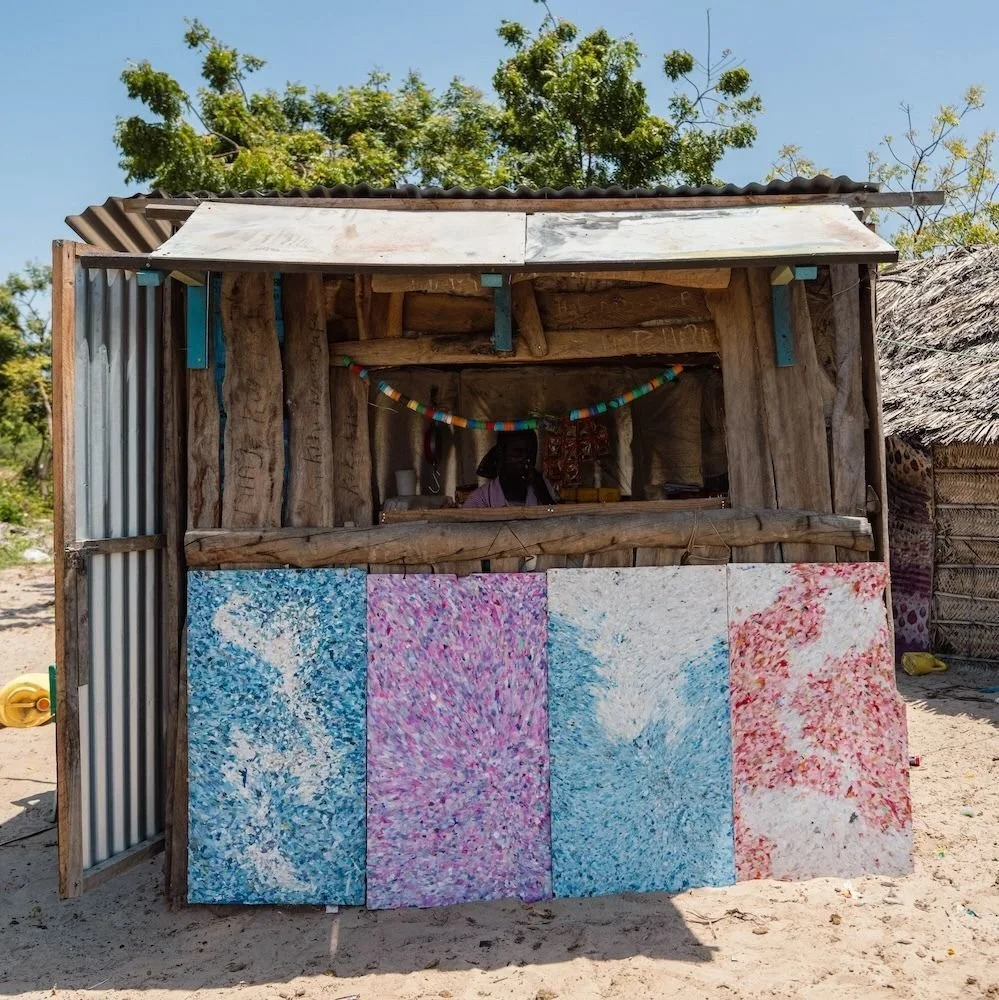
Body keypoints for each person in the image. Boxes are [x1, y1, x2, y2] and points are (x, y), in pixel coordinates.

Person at [463, 430, 556, 508]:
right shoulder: (480, 500)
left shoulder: (544, 489)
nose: (526, 461)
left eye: (530, 454)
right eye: (518, 453)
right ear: (501, 454)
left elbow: (556, 520)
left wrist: (545, 497)